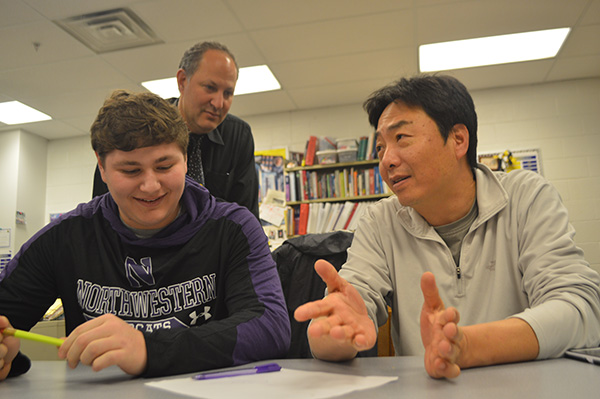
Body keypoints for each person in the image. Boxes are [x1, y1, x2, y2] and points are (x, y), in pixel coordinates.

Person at [294, 75, 600, 379]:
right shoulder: (380, 222)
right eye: (379, 149)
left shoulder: (525, 197)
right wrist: (332, 333)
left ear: (458, 140)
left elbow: (580, 309)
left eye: (401, 138)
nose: (386, 160)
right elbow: (343, 316)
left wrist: (467, 346)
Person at [0, 90, 290, 381]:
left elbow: (270, 327)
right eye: (130, 170)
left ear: (185, 159)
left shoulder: (234, 228)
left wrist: (148, 350)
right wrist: (8, 358)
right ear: (101, 167)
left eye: (165, 166)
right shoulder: (64, 238)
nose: (151, 186)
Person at [92, 41, 260, 219]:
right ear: (182, 81)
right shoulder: (138, 125)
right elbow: (103, 212)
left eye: (228, 93)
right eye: (210, 88)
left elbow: (246, 213)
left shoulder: (238, 135)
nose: (218, 103)